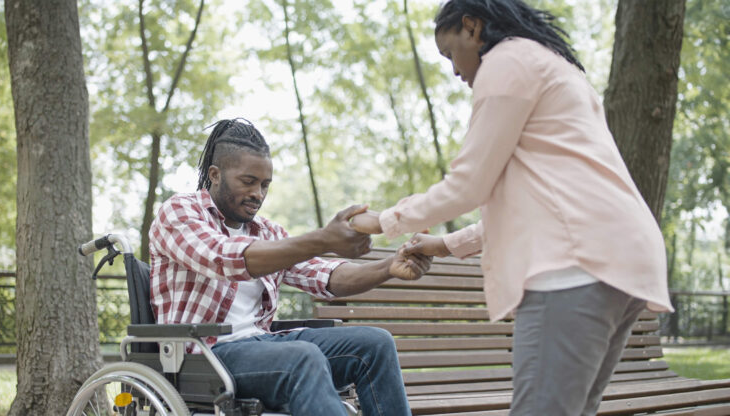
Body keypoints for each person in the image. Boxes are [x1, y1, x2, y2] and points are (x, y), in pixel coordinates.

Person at [349, 1, 674, 415]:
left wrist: (380, 221)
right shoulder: (551, 65)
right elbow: (539, 202)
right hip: (621, 254)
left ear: (471, 27)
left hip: (574, 264)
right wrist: (444, 245)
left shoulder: (507, 61)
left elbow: (468, 185)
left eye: (450, 53)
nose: (453, 70)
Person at [148, 118, 431, 416]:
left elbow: (327, 277)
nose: (258, 193)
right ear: (215, 175)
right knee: (302, 357)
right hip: (203, 357)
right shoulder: (179, 212)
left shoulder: (268, 233)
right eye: (248, 182)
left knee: (376, 344)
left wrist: (390, 266)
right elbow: (227, 259)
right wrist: (323, 238)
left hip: (262, 345)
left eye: (265, 184)